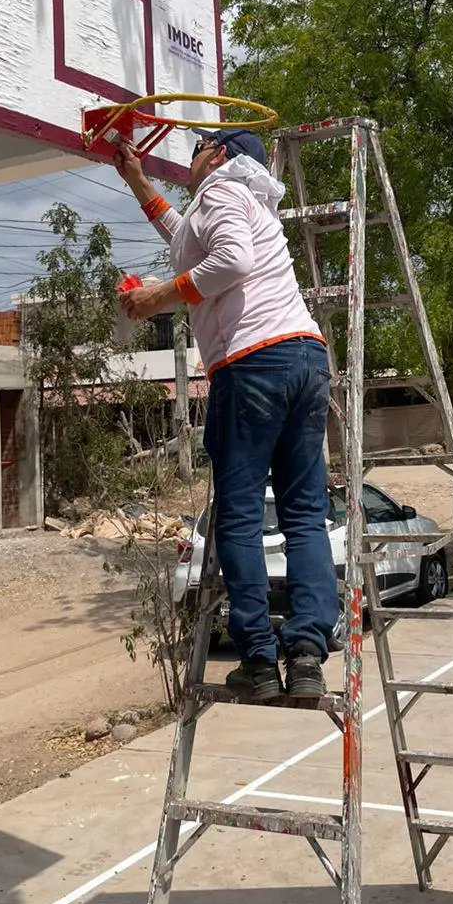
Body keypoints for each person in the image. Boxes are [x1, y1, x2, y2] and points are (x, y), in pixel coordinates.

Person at [114, 127, 337, 702]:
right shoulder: (246, 198)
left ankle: (260, 660)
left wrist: (157, 298)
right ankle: (307, 657)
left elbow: (228, 259)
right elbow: (186, 237)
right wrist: (139, 183)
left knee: (237, 518)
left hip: (254, 363)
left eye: (193, 151)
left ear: (217, 155)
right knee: (305, 515)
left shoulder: (218, 190)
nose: (186, 164)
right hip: (305, 359)